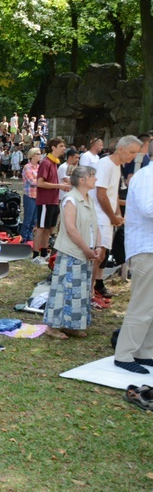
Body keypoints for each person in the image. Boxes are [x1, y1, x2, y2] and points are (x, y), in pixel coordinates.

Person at [42, 166, 101, 339]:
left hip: (85, 252)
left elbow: (94, 225)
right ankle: (52, 327)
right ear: (82, 180)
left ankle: (71, 324)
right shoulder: (71, 199)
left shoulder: (89, 199)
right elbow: (70, 229)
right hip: (72, 252)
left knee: (80, 290)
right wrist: (86, 249)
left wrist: (97, 246)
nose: (95, 179)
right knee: (63, 289)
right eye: (92, 176)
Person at [88, 135, 143, 300]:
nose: (133, 156)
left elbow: (113, 194)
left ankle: (92, 289)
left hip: (106, 217)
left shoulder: (116, 166)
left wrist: (118, 214)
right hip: (99, 216)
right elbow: (101, 195)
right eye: (132, 152)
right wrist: (113, 217)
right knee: (97, 256)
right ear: (121, 149)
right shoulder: (105, 164)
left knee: (101, 256)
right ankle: (88, 291)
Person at [113, 153, 153, 373]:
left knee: (151, 305)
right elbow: (149, 209)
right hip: (146, 248)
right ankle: (125, 353)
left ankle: (144, 351)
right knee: (143, 304)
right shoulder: (148, 176)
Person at [34, 138, 72, 263]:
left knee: (49, 228)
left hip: (53, 200)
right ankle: (35, 256)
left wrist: (62, 183)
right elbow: (40, 183)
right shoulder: (46, 163)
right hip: (45, 200)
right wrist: (59, 186)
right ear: (53, 148)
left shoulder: (55, 163)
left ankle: (44, 253)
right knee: (41, 227)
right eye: (61, 146)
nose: (63, 148)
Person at [21, 148, 41, 245]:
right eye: (38, 154)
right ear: (32, 155)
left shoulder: (39, 167)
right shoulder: (27, 167)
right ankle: (23, 239)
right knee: (28, 219)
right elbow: (32, 181)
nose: (40, 155)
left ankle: (29, 238)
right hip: (29, 196)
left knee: (34, 220)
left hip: (38, 196)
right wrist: (41, 182)